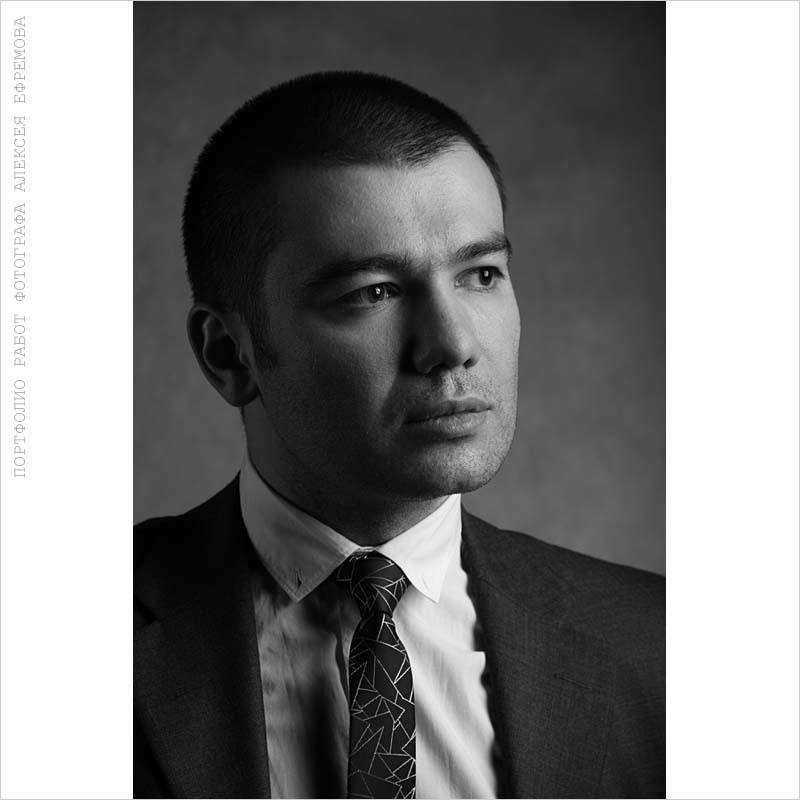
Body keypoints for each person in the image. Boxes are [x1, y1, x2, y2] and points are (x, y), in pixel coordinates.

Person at [134, 71, 665, 800]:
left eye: (481, 274)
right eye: (373, 292)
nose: (452, 345)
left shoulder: (659, 646)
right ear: (230, 354)